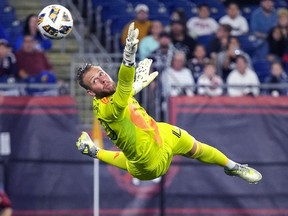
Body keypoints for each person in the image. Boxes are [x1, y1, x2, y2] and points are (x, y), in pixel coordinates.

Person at [75, 22, 262, 184]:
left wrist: (136, 84)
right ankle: (95, 152)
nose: (103, 79)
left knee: (195, 146)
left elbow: (124, 91)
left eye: (101, 73)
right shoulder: (107, 109)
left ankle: (233, 166)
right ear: (91, 92)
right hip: (151, 164)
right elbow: (124, 86)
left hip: (158, 132)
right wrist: (129, 57)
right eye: (95, 81)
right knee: (133, 163)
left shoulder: (112, 94)